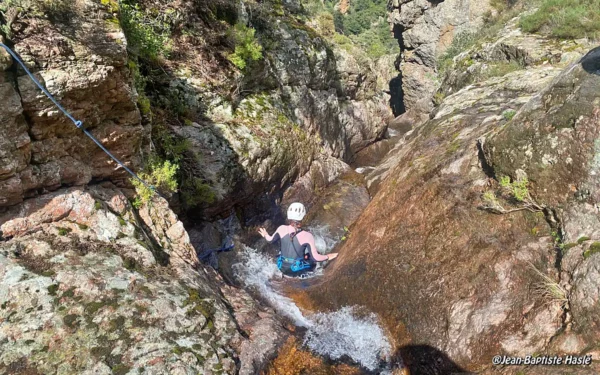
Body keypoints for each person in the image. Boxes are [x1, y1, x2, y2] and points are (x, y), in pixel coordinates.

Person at [258, 202, 338, 278]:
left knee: (282, 253)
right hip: (295, 270)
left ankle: (285, 274)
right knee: (314, 256)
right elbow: (315, 258)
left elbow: (270, 240)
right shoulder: (307, 235)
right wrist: (328, 256)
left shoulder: (281, 228)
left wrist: (265, 234)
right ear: (302, 217)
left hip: (281, 267)